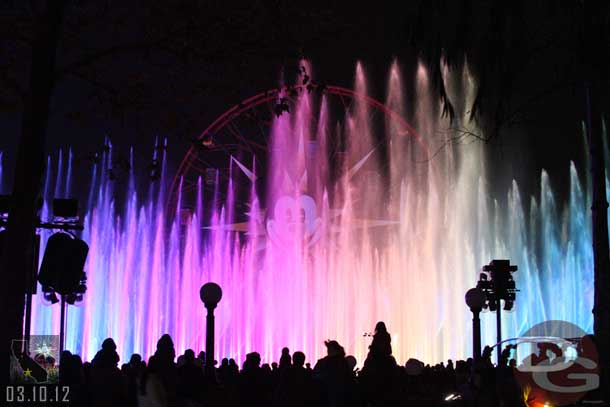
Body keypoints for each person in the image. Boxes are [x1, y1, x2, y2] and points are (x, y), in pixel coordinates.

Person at [313, 340, 354, 407]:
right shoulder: (343, 362)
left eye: (330, 349)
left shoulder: (324, 362)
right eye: (328, 349)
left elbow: (315, 375)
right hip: (338, 394)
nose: (328, 351)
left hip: (328, 393)